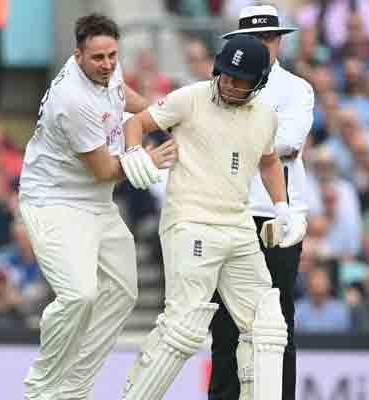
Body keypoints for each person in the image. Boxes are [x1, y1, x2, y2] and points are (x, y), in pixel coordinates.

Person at [120, 34, 305, 400]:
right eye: (225, 75)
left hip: (237, 225)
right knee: (184, 327)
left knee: (267, 328)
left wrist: (283, 207)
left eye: (240, 80)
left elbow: (269, 162)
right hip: (190, 221)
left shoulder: (265, 116)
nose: (229, 84)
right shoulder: (190, 98)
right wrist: (133, 153)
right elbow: (136, 123)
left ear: (259, 83)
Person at [17, 14, 175, 400]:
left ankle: (75, 386)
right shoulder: (73, 101)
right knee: (79, 295)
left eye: (111, 56)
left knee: (122, 291)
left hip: (95, 202)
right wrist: (151, 161)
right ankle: (42, 388)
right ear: (77, 55)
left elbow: (126, 99)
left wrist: (166, 119)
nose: (106, 65)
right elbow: (105, 170)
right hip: (53, 201)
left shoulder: (108, 72)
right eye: (97, 58)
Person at [209, 6, 315, 400]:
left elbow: (288, 143)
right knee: (224, 322)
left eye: (268, 38)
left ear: (279, 41)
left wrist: (233, 140)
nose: (263, 46)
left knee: (277, 320)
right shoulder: (219, 87)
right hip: (230, 211)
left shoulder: (296, 88)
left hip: (276, 215)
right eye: (254, 40)